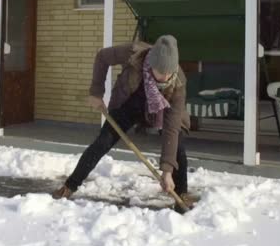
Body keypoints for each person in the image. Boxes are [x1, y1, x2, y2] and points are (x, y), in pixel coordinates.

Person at [51, 35, 191, 209]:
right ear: (151, 63)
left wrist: (167, 171)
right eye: (161, 72)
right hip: (129, 103)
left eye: (169, 72)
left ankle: (181, 194)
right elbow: (102, 57)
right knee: (102, 142)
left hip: (161, 108)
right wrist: (96, 92)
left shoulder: (177, 83)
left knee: (177, 145)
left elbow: (170, 129)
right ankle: (70, 185)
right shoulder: (133, 53)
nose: (165, 77)